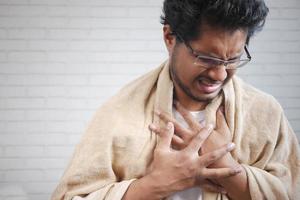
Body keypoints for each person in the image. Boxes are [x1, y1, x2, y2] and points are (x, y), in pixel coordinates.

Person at [51, 0, 300, 200]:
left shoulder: (265, 112)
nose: (220, 74)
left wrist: (227, 167)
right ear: (170, 38)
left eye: (232, 59)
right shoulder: (118, 114)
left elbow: (291, 191)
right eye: (207, 58)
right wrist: (155, 186)